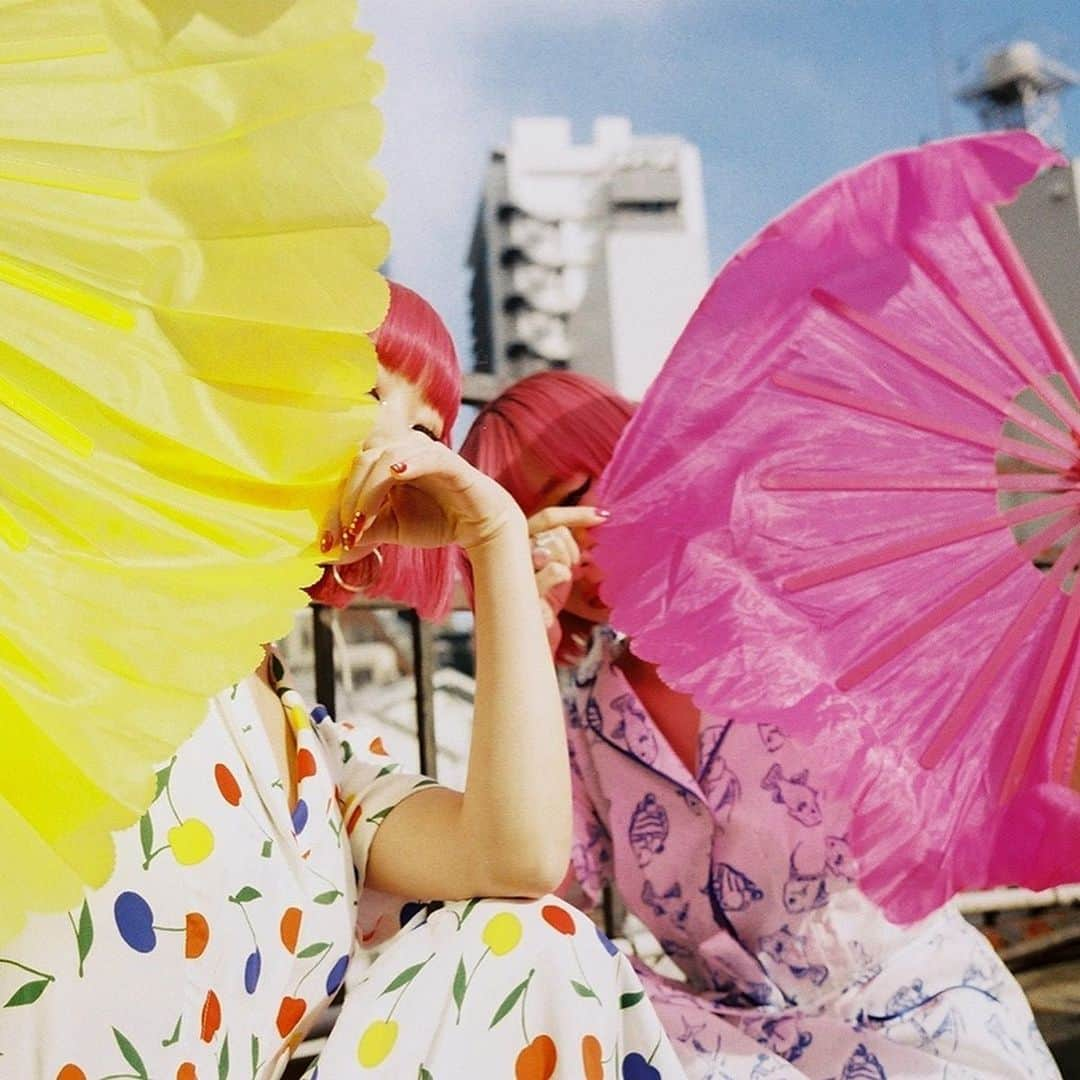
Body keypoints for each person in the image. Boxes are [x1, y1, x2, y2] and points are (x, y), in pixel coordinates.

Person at [0, 288, 685, 1080]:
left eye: (428, 432)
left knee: (538, 947)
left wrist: (493, 544)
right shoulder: (60, 579)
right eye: (361, 390)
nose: (394, 442)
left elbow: (519, 858)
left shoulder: (315, 758)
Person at [460, 370, 1061, 1080]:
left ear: (641, 470)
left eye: (568, 502)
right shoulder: (587, 722)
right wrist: (523, 619)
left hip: (922, 1025)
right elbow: (536, 893)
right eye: (526, 533)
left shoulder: (809, 610)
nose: (562, 545)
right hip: (732, 1050)